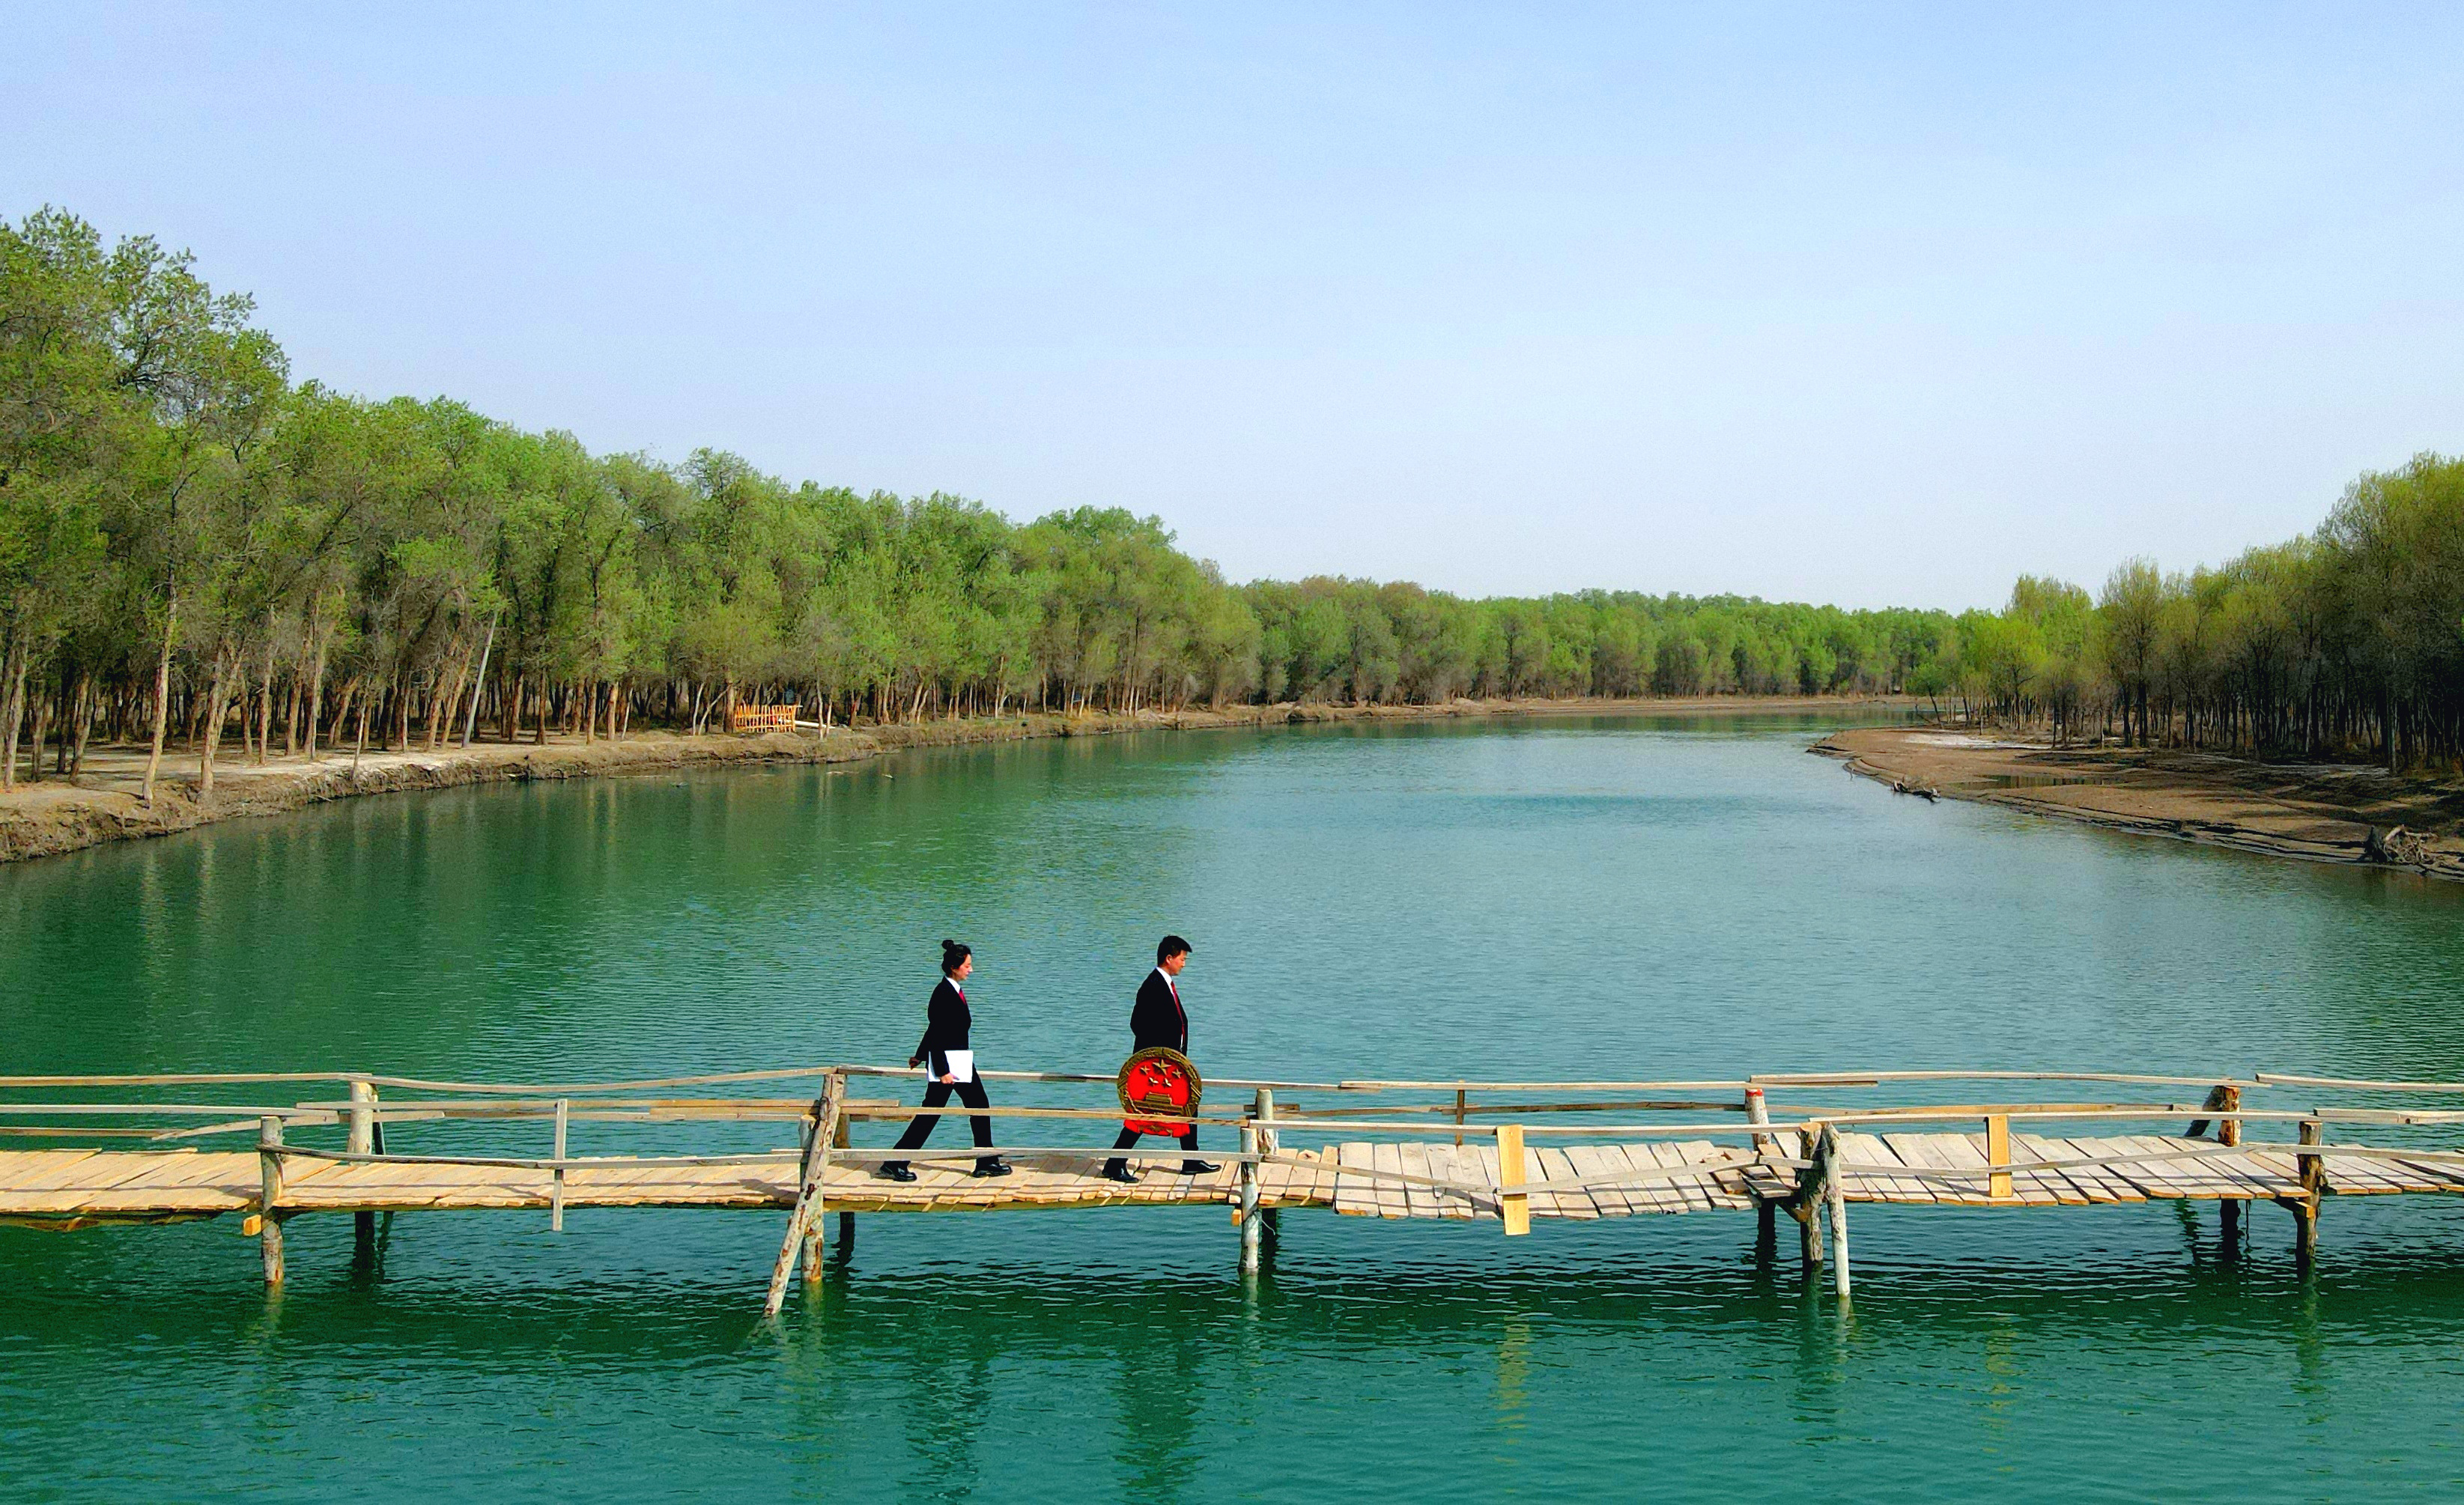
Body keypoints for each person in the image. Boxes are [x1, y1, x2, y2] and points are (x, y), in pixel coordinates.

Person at [879, 940, 1010, 1181]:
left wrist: (920, 1055)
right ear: (953, 967)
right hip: (949, 1066)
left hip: (958, 1062)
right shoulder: (943, 993)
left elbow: (934, 1030)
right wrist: (942, 1071)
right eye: (967, 966)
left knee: (977, 1106)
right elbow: (937, 1032)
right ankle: (895, 1162)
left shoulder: (953, 991)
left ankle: (986, 1160)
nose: (971, 970)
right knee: (935, 1112)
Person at [1102, 934, 1219, 1182]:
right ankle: (1114, 1164)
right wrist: (1160, 1055)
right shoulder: (1153, 986)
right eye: (1182, 959)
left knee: (1189, 1104)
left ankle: (1191, 1159)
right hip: (1158, 1067)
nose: (1184, 964)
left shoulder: (1166, 985)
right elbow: (1138, 1024)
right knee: (1144, 1114)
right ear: (1169, 958)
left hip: (1172, 1064)